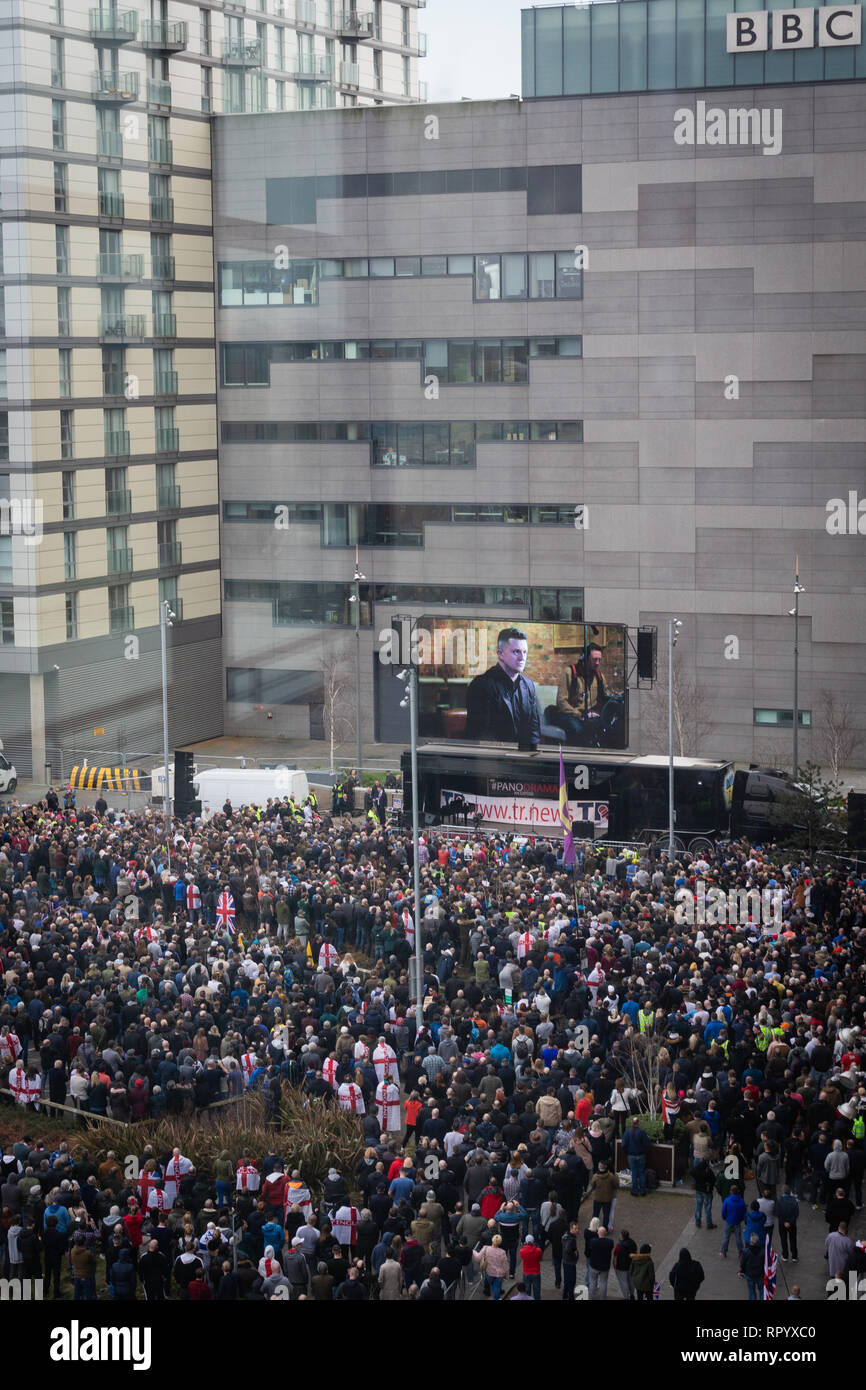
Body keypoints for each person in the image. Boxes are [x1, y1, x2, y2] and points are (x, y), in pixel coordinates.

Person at [465, 628, 540, 749]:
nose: (522, 658)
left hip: (524, 759)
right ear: (500, 654)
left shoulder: (529, 685)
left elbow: (534, 730)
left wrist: (532, 757)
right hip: (494, 760)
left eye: (525, 652)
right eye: (516, 652)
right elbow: (480, 735)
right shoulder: (480, 685)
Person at [554, 643, 608, 741]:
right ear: (585, 658)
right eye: (594, 659)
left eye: (599, 660)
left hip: (590, 714)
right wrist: (580, 715)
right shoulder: (569, 672)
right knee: (578, 730)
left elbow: (605, 697)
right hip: (570, 713)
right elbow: (561, 702)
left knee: (606, 728)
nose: (597, 663)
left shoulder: (600, 677)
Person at [621, 1117, 649, 1197]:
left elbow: (623, 1145)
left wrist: (627, 1152)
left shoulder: (627, 1132)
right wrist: (644, 1151)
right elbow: (647, 1144)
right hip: (641, 1155)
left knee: (634, 1173)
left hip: (631, 1156)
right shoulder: (642, 1132)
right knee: (641, 1173)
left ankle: (635, 1191)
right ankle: (643, 1190)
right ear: (638, 1123)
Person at [587, 1225, 613, 1301]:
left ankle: (591, 1298)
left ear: (598, 1233)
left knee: (592, 1283)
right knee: (603, 1283)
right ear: (605, 1233)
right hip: (604, 1267)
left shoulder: (593, 1241)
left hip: (594, 1266)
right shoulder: (610, 1242)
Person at [776, 1187, 799, 1263]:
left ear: (782, 1192)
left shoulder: (779, 1201)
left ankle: (785, 1255)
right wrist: (790, 1222)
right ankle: (794, 1256)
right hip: (792, 1224)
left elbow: (778, 1214)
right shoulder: (794, 1201)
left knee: (783, 1239)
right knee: (793, 1239)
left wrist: (784, 1222)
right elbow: (796, 1214)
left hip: (782, 1224)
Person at [739, 1234, 764, 1300]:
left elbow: (742, 1263)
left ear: (750, 1242)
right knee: (762, 1291)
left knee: (751, 1291)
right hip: (760, 1274)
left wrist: (742, 1271)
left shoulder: (746, 1252)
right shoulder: (763, 1252)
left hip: (750, 1275)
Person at [693, 1158, 716, 1229]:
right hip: (706, 1192)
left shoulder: (697, 1170)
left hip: (698, 1190)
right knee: (707, 1208)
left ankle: (697, 1222)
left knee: (698, 1206)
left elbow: (692, 1171)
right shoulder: (708, 1171)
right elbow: (714, 1180)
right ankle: (709, 1223)